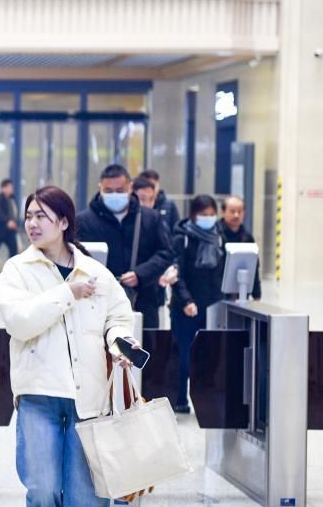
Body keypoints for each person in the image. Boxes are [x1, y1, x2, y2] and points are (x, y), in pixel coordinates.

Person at [0, 185, 138, 507]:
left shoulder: (95, 272)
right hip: (38, 394)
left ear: (63, 222)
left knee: (86, 492)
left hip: (87, 398)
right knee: (41, 485)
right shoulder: (17, 270)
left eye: (42, 215)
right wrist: (65, 294)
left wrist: (120, 343)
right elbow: (19, 322)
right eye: (28, 216)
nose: (33, 223)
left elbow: (118, 315)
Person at [76, 163, 173, 329]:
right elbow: (74, 258)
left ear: (131, 188)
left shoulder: (149, 218)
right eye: (108, 191)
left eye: (120, 190)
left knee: (145, 351)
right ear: (100, 188)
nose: (114, 195)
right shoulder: (84, 221)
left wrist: (140, 274)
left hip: (143, 301)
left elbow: (165, 253)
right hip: (98, 304)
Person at [170, 195, 226, 414]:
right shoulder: (182, 238)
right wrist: (186, 300)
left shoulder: (218, 237)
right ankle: (181, 399)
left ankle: (204, 398)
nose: (208, 218)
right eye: (204, 214)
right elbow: (176, 272)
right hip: (186, 307)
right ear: (193, 215)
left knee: (210, 355)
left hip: (212, 305)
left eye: (212, 214)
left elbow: (221, 272)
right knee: (183, 355)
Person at [219, 196, 262, 299]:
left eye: (240, 211)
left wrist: (257, 294)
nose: (236, 215)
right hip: (218, 294)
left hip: (242, 293)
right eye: (232, 211)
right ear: (223, 212)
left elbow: (254, 266)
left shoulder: (247, 237)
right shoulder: (215, 235)